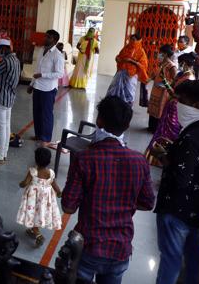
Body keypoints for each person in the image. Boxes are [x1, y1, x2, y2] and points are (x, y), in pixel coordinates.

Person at [62, 96, 155, 284]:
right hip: (120, 248)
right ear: (127, 125)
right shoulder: (139, 161)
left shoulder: (84, 158)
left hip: (89, 246)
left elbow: (68, 207)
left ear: (99, 121)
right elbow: (147, 203)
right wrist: (123, 202)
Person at [151, 80, 199, 284]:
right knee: (194, 261)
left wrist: (163, 157)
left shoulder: (193, 136)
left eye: (181, 101)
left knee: (171, 260)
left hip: (178, 210)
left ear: (194, 105)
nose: (177, 105)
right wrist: (175, 149)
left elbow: (181, 178)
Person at [144, 52, 197, 166]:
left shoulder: (189, 78)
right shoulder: (183, 75)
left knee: (169, 132)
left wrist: (165, 82)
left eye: (181, 63)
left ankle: (164, 158)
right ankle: (156, 156)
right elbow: (173, 87)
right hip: (171, 106)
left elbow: (177, 95)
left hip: (176, 108)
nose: (180, 65)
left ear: (185, 63)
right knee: (162, 130)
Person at [17, 147, 62, 247]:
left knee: (32, 214)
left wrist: (21, 184)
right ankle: (35, 230)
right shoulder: (50, 173)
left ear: (36, 160)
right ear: (49, 161)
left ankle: (38, 235)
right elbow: (54, 184)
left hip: (33, 198)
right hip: (45, 198)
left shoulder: (33, 171)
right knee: (39, 212)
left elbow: (25, 182)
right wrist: (59, 192)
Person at [27, 30, 64, 149]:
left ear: (54, 40)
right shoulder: (41, 50)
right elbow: (37, 69)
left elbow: (59, 74)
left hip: (48, 89)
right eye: (46, 36)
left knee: (46, 114)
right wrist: (32, 84)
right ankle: (38, 135)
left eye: (48, 37)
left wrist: (43, 75)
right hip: (37, 86)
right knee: (36, 112)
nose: (45, 38)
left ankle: (46, 139)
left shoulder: (57, 55)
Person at [106, 33, 148, 105]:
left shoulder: (141, 52)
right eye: (131, 39)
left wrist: (131, 61)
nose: (131, 41)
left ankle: (127, 106)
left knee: (129, 90)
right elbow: (120, 56)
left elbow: (143, 65)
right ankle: (114, 103)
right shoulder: (126, 48)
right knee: (114, 87)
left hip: (131, 75)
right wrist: (117, 58)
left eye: (134, 40)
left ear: (138, 41)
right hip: (121, 72)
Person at [147, 45, 178, 132]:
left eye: (160, 53)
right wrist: (149, 79)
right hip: (156, 90)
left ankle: (156, 129)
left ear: (165, 54)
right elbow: (156, 74)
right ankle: (151, 127)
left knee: (160, 110)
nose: (158, 55)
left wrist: (166, 84)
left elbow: (175, 81)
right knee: (153, 108)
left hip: (164, 92)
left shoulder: (172, 66)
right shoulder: (161, 64)